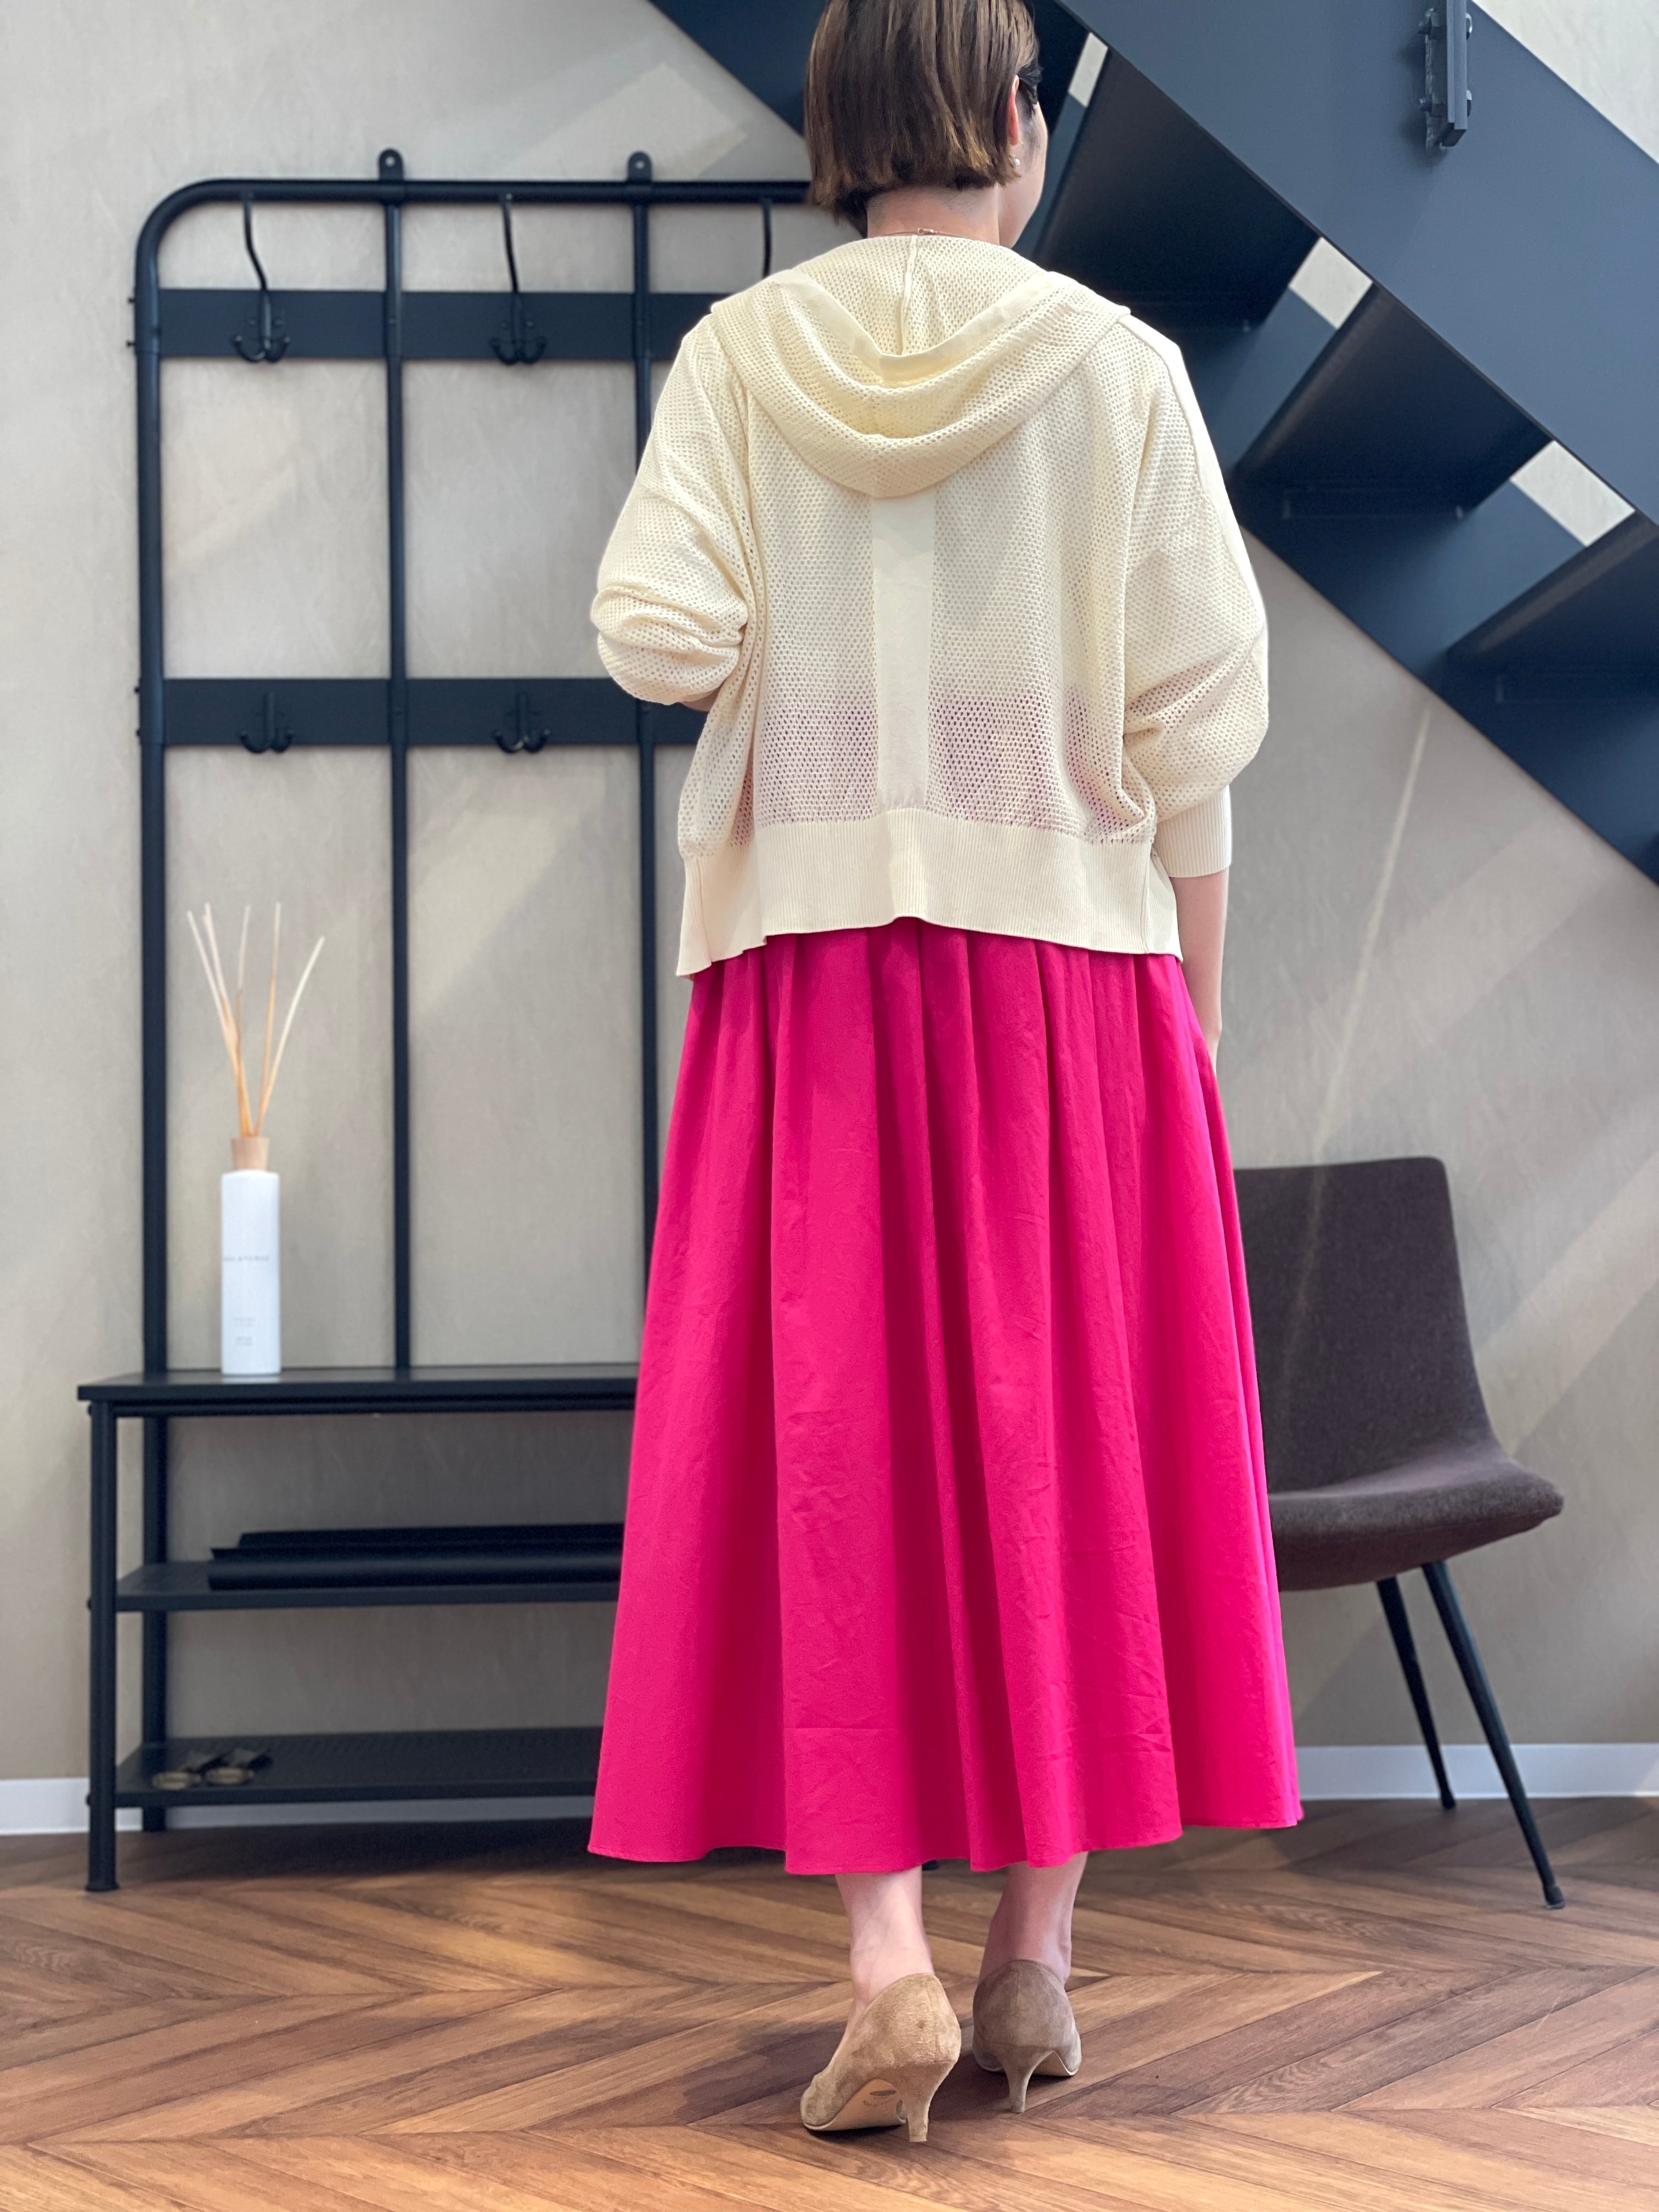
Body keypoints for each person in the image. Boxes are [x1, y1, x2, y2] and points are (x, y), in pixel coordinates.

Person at [586, 0, 1300, 2146]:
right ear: (1012, 121)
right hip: (1073, 990)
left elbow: (653, 631)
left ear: (837, 130)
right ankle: (1033, 1963)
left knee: (844, 1450)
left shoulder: (738, 362)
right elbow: (1197, 731)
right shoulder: (1118, 371)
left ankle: (887, 1961)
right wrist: (1192, 1022)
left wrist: (795, 635)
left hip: (811, 983)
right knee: (1061, 1447)